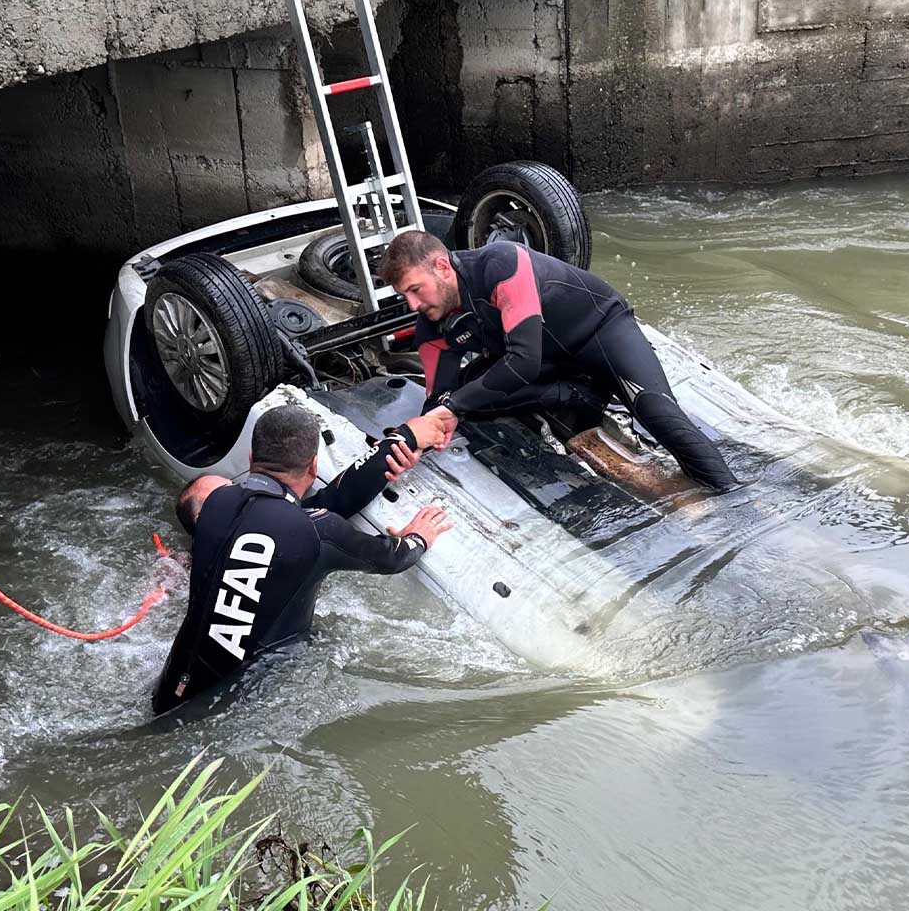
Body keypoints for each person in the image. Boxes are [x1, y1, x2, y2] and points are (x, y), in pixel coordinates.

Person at [378, 231, 740, 492]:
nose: (412, 305)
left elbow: (523, 361)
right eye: (404, 295)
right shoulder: (432, 325)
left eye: (415, 289)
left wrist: (453, 407)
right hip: (551, 364)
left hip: (600, 333)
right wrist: (416, 441)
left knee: (657, 414)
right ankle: (576, 395)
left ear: (442, 267)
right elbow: (437, 402)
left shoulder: (501, 263)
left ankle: (734, 498)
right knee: (465, 398)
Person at [152, 405, 455, 714]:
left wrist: (398, 443)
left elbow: (317, 507)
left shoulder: (216, 506)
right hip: (236, 702)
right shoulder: (316, 529)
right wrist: (417, 537)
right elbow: (392, 558)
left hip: (169, 691)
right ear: (313, 467)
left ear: (251, 460)